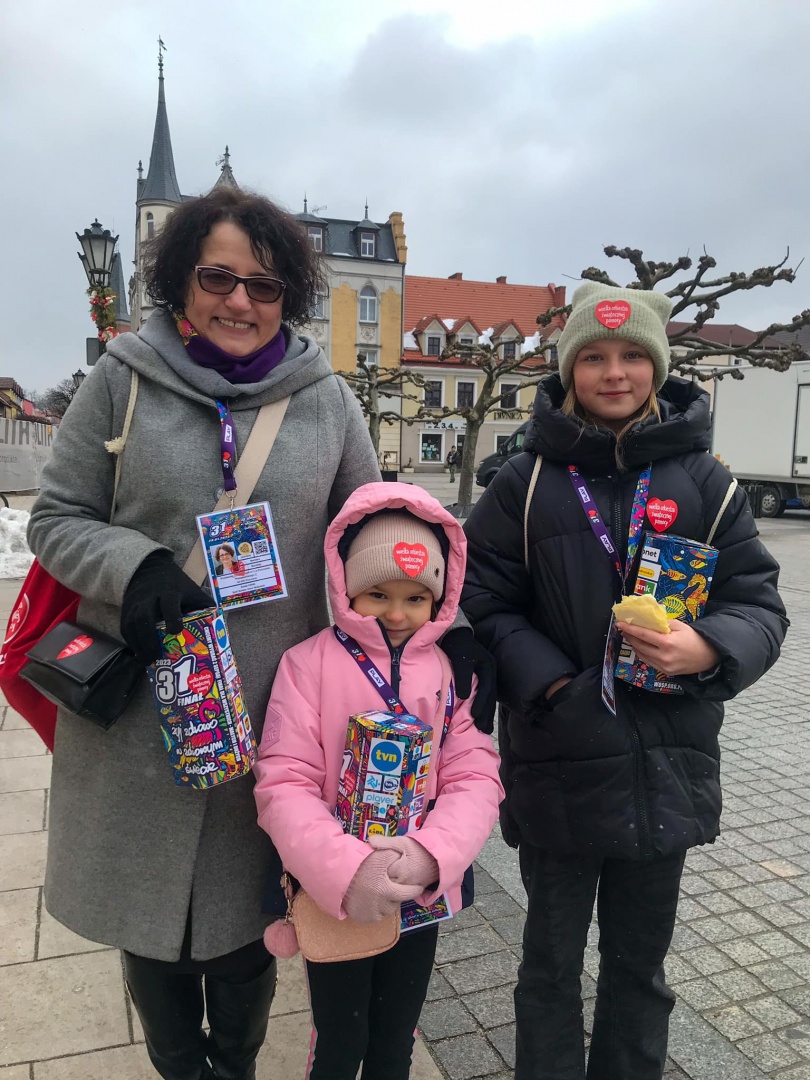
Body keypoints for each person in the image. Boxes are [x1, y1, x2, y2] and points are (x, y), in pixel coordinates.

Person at [461, 282, 788, 1080]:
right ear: (569, 369)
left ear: (658, 367)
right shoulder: (523, 482)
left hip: (665, 766)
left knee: (640, 970)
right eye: (595, 357)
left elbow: (759, 603)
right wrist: (551, 687)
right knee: (550, 969)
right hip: (559, 761)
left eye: (634, 355)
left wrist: (710, 648)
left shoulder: (705, 481)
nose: (615, 373)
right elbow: (476, 603)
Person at [254, 481, 503, 1080]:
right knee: (341, 1040)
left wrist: (432, 854)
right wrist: (344, 869)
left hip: (419, 888)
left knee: (396, 1037)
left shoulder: (451, 670)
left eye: (417, 597)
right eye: (377, 595)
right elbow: (284, 780)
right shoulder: (307, 664)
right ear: (346, 588)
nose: (396, 613)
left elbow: (474, 774)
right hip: (334, 891)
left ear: (440, 597)